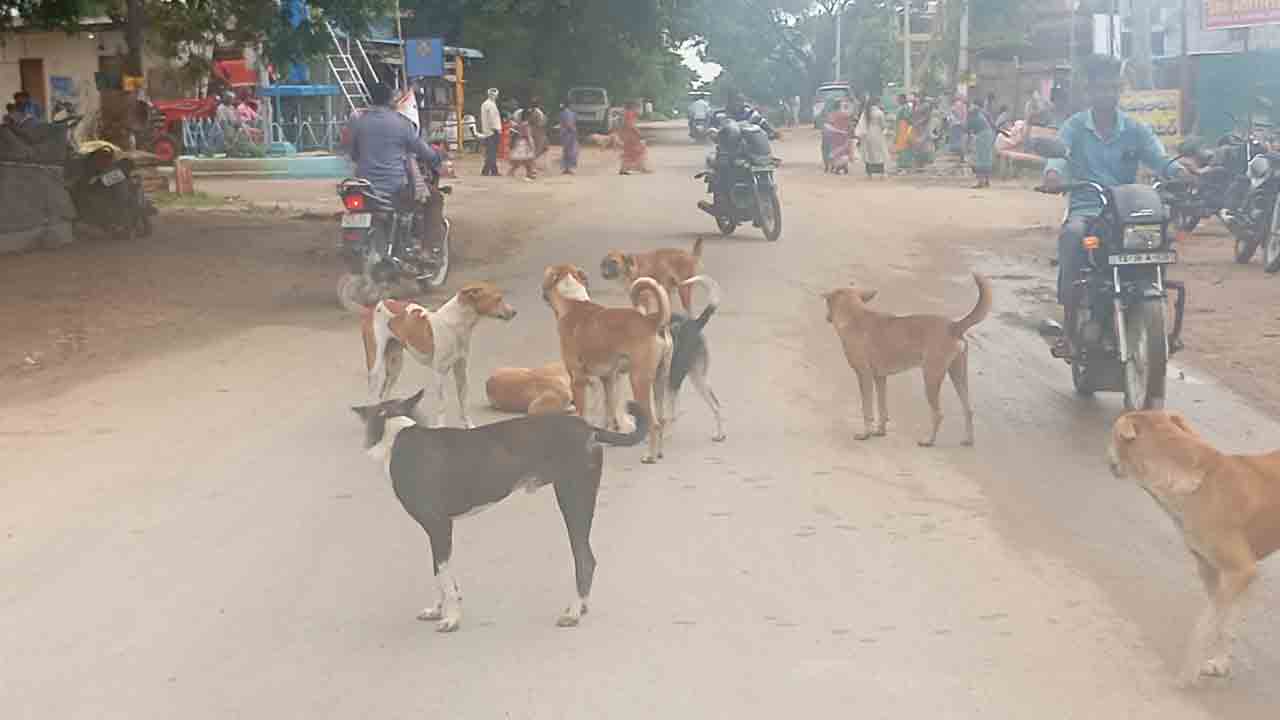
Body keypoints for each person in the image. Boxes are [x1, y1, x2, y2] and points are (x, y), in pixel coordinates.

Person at [1042, 54, 1181, 356]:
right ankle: (1069, 327)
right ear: (1089, 92)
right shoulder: (1075, 127)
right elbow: (1057, 157)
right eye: (1100, 88)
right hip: (1088, 211)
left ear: (1119, 91)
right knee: (1071, 237)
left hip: (1126, 212)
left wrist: (1180, 171)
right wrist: (1053, 174)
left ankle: (1155, 311)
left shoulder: (1134, 128)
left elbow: (1159, 158)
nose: (1106, 94)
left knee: (1160, 238)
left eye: (1112, 88)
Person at [349, 82, 442, 255]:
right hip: (393, 189)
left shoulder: (359, 122)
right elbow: (422, 150)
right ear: (391, 100)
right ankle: (427, 251)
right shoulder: (401, 124)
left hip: (364, 189)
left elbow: (353, 154)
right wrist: (436, 157)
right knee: (435, 198)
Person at [856, 95, 889, 178]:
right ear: (877, 102)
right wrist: (885, 130)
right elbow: (883, 124)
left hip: (867, 134)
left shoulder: (865, 112)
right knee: (879, 153)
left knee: (869, 153)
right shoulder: (879, 112)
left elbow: (861, 124)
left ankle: (869, 173)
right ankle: (881, 173)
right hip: (877, 133)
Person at [968, 99, 996, 189]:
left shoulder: (974, 113)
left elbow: (967, 128)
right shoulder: (982, 113)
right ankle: (986, 181)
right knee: (986, 158)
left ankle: (980, 182)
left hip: (982, 135)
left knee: (980, 158)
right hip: (988, 133)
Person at [822, 98, 852, 174]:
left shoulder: (831, 114)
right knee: (843, 151)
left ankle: (836, 166)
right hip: (843, 135)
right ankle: (842, 166)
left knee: (836, 151)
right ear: (840, 105)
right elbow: (849, 121)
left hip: (835, 136)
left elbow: (828, 125)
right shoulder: (844, 114)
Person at [618, 101, 649, 175]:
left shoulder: (627, 113)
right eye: (639, 108)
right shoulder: (630, 114)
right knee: (638, 151)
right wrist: (639, 134)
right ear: (634, 108)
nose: (640, 110)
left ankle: (624, 168)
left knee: (630, 152)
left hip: (628, 136)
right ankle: (641, 167)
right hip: (631, 137)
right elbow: (631, 125)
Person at [507, 106, 537, 180]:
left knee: (521, 161)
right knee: (528, 160)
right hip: (525, 143)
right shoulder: (526, 125)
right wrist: (532, 145)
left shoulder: (521, 123)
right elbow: (528, 136)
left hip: (520, 142)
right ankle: (529, 174)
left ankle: (513, 172)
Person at [479, 88, 502, 176]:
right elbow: (492, 118)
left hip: (488, 130)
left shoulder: (486, 104)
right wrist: (496, 129)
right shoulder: (490, 105)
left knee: (491, 152)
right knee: (492, 152)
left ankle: (488, 171)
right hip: (492, 131)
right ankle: (491, 171)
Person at [559, 98, 579, 175]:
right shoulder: (571, 113)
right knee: (572, 151)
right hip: (570, 133)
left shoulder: (562, 113)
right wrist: (574, 132)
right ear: (570, 105)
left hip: (564, 133)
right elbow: (570, 124)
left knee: (566, 151)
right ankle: (569, 168)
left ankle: (566, 168)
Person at [528, 97, 548, 167]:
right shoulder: (538, 112)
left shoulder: (532, 111)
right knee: (540, 148)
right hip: (538, 131)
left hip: (534, 130)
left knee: (543, 147)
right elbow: (541, 123)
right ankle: (531, 161)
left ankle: (532, 161)